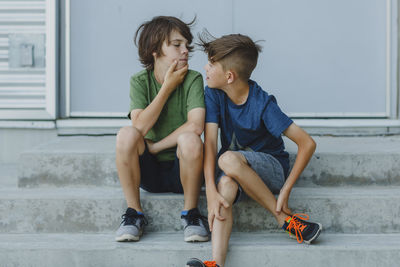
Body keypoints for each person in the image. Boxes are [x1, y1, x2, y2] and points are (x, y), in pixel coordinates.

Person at [186, 32, 322, 267]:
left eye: (211, 64)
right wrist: (210, 190)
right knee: (225, 185)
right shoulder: (214, 93)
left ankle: (282, 219)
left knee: (227, 159)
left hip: (271, 168)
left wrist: (286, 189)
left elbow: (307, 143)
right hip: (234, 170)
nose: (205, 68)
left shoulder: (262, 103)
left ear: (229, 76)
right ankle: (216, 263)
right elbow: (209, 142)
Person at [115, 16, 209, 243]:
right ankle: (133, 215)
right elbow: (139, 127)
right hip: (150, 173)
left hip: (183, 169)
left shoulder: (193, 79)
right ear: (154, 50)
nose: (185, 50)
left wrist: (155, 146)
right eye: (177, 45)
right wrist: (167, 88)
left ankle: (191, 215)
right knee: (126, 134)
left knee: (191, 139)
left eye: (187, 45)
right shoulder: (139, 81)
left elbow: (196, 125)